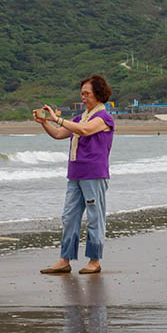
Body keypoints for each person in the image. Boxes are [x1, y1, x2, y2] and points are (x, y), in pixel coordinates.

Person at [33, 74, 115, 275]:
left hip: (94, 174)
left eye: (87, 94)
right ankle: (65, 259)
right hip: (75, 174)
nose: (83, 97)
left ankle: (94, 261)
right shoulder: (80, 118)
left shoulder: (104, 117)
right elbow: (59, 134)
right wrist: (45, 123)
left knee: (95, 217)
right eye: (82, 94)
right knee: (69, 216)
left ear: (98, 94)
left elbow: (85, 130)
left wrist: (58, 119)